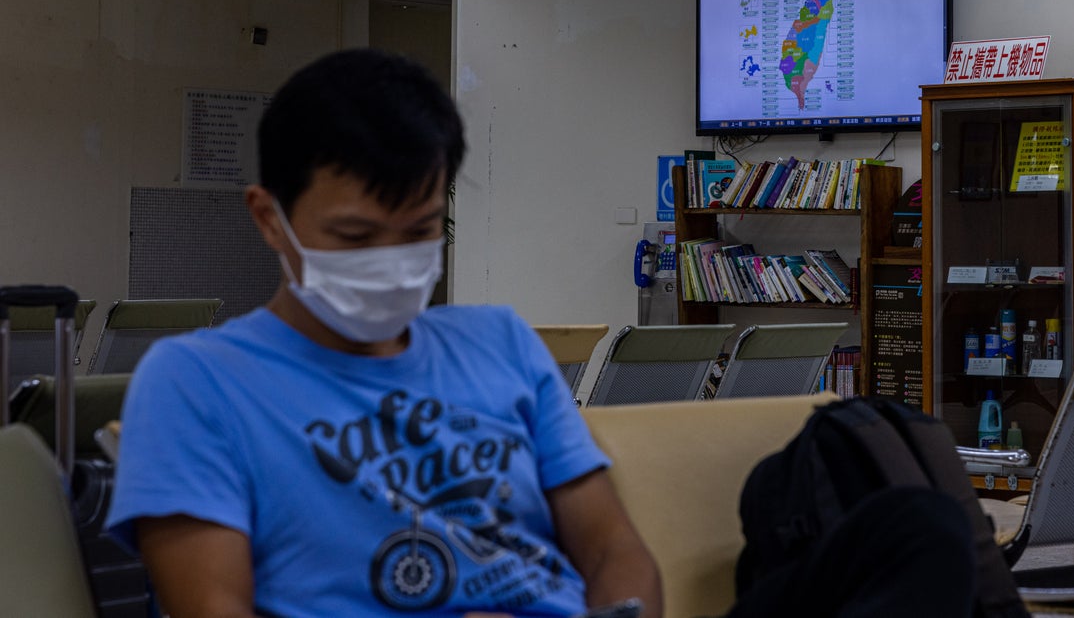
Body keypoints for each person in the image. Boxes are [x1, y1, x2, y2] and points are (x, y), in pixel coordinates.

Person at [106, 48, 662, 618]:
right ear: (270, 218)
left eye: (419, 231)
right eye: (354, 236)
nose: (392, 261)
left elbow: (614, 551)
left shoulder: (503, 344)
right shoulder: (196, 383)